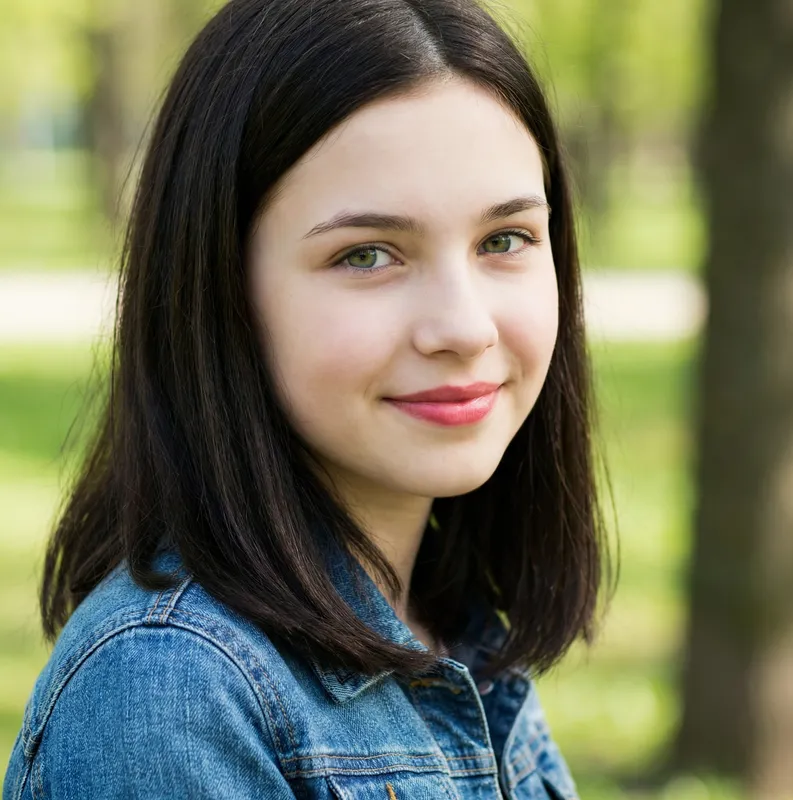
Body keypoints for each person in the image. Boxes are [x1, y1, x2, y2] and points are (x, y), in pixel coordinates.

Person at [3, 0, 614, 797]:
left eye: (504, 240)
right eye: (367, 255)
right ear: (218, 286)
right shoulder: (171, 691)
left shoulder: (451, 634)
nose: (464, 328)